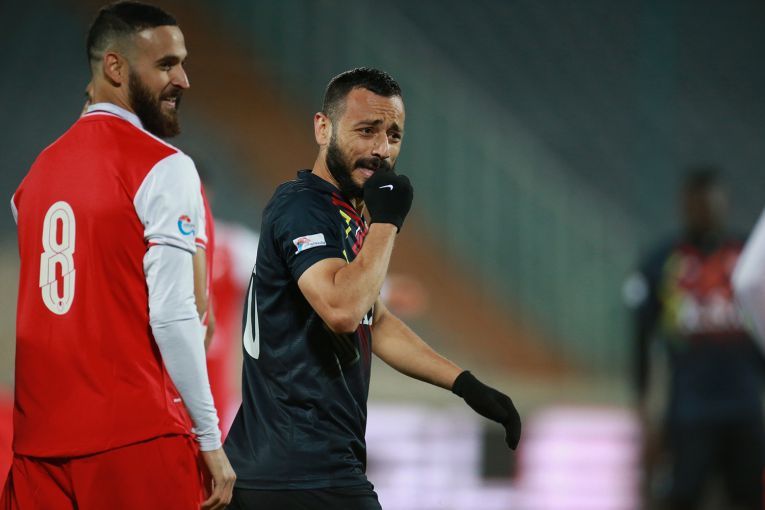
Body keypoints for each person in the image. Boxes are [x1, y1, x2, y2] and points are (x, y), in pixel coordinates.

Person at [224, 67, 522, 510]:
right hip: (303, 471)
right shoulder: (302, 207)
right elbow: (342, 310)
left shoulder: (343, 215)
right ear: (323, 128)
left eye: (393, 135)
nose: (382, 149)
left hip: (284, 470)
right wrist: (387, 221)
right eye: (366, 131)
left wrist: (466, 385)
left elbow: (373, 319)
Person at [0, 2, 235, 509]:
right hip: (135, 441)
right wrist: (209, 437)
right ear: (115, 67)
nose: (184, 79)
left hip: (38, 451)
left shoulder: (31, 182)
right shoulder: (163, 166)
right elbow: (176, 314)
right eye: (167, 64)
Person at [626, 168, 764, 509]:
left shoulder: (746, 258)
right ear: (685, 206)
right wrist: (644, 411)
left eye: (714, 203)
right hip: (690, 412)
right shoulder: (663, 262)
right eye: (699, 204)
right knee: (682, 497)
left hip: (746, 407)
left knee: (748, 497)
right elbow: (641, 340)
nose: (707, 211)